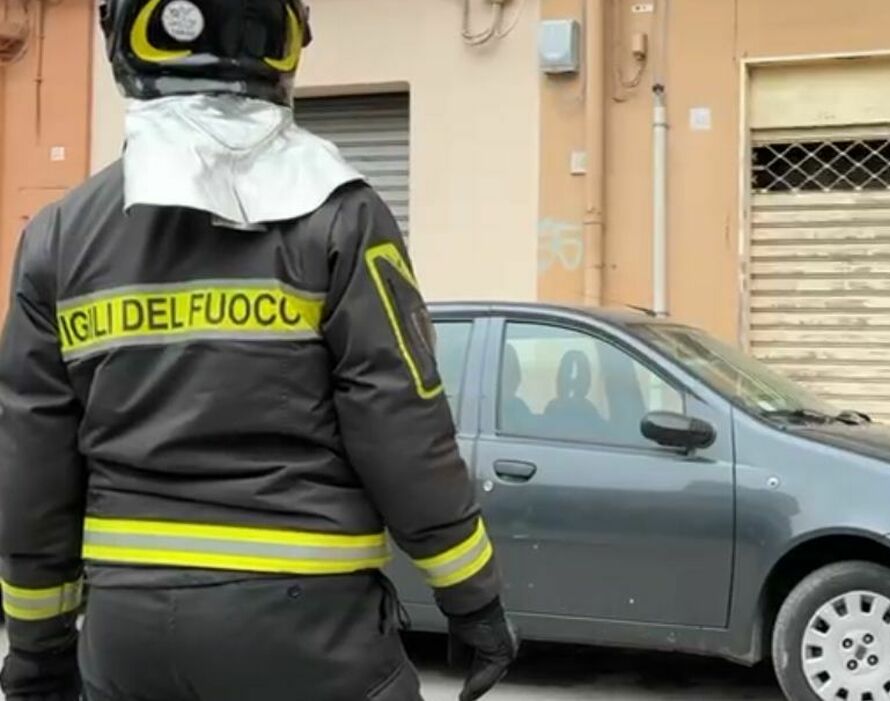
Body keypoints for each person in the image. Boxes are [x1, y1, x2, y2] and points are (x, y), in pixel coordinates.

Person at [0, 2, 517, 700]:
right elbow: (402, 425)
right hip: (310, 633)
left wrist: (36, 655)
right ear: (282, 39)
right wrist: (473, 598)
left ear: (123, 40)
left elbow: (33, 473)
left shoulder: (57, 238)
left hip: (128, 636)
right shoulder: (343, 214)